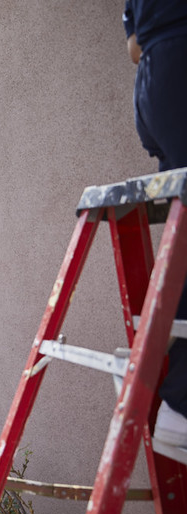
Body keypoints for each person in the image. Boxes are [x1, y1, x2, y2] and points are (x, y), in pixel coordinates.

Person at [123, 1, 187, 448]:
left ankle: (178, 398)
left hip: (155, 80)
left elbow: (133, 47)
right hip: (177, 62)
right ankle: (181, 402)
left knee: (183, 238)